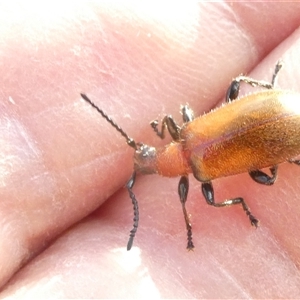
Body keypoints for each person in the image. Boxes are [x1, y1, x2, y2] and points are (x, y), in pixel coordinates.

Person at [1, 2, 300, 298]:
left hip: (279, 119)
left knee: (264, 175)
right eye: (151, 157)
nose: (149, 156)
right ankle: (271, 95)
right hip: (278, 114)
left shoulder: (196, 157)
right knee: (240, 95)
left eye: (147, 152)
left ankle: (274, 136)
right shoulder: (188, 130)